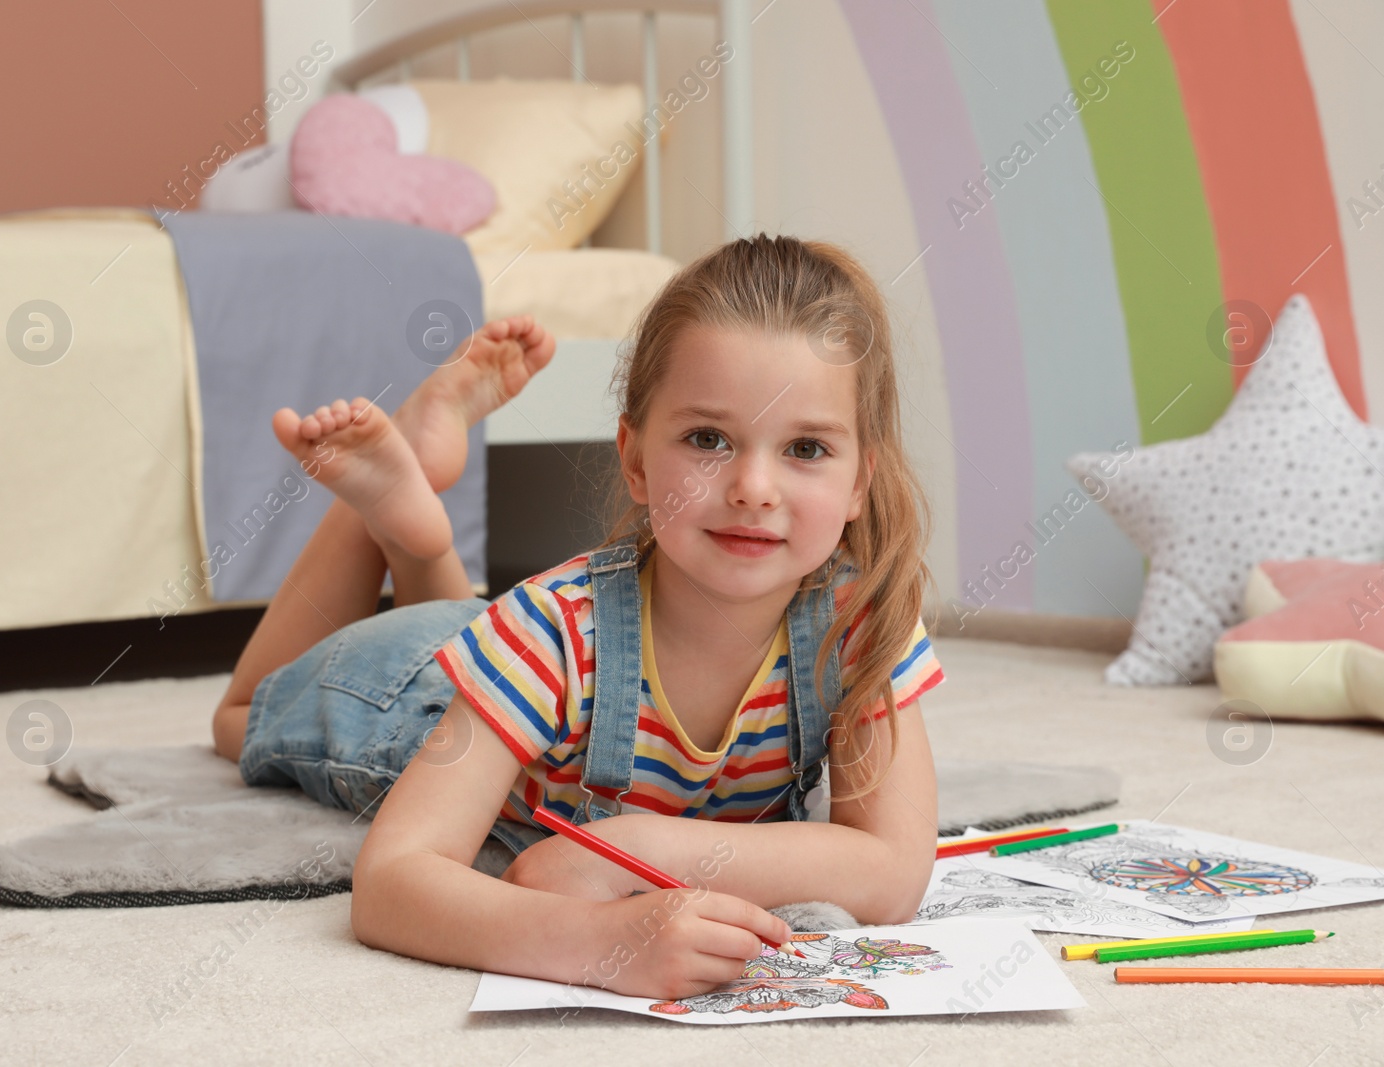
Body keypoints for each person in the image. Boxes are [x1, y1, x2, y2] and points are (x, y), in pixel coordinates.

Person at [212, 235, 944, 1001]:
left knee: (478, 628)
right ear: (634, 459)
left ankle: (414, 527)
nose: (754, 486)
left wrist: (624, 849)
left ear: (861, 479)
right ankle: (381, 516)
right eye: (708, 439)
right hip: (408, 695)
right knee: (239, 720)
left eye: (804, 447)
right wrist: (602, 943)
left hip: (505, 671)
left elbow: (892, 868)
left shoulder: (863, 616)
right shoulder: (554, 631)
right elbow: (391, 882)